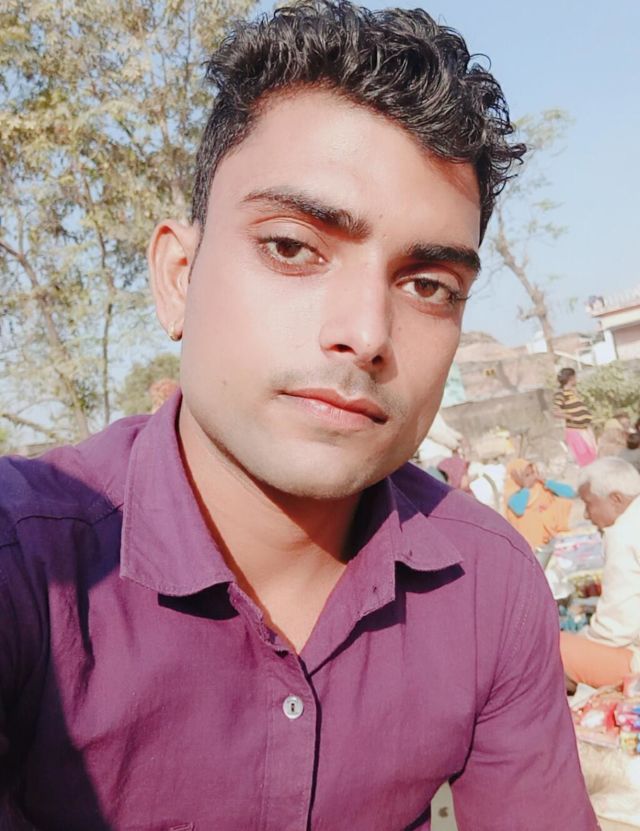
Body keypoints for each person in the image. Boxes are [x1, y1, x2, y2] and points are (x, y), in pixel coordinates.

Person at [0, 4, 596, 829]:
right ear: (178, 277)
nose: (365, 333)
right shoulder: (28, 567)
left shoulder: (488, 585)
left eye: (428, 285)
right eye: (291, 246)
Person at [560, 457, 640, 690]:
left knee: (550, 647)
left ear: (616, 499)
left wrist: (582, 641)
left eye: (588, 504)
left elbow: (615, 628)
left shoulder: (623, 533)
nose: (586, 515)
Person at [504, 458, 576, 549]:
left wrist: (547, 482)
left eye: (533, 473)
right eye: (527, 475)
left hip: (551, 535)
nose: (532, 477)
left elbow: (570, 493)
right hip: (531, 540)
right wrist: (526, 488)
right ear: (517, 478)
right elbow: (519, 509)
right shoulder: (512, 493)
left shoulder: (540, 486)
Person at [554, 366, 597, 467]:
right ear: (571, 378)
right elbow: (556, 412)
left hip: (585, 428)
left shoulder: (573, 392)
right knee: (585, 458)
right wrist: (572, 417)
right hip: (575, 430)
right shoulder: (561, 393)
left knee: (594, 454)